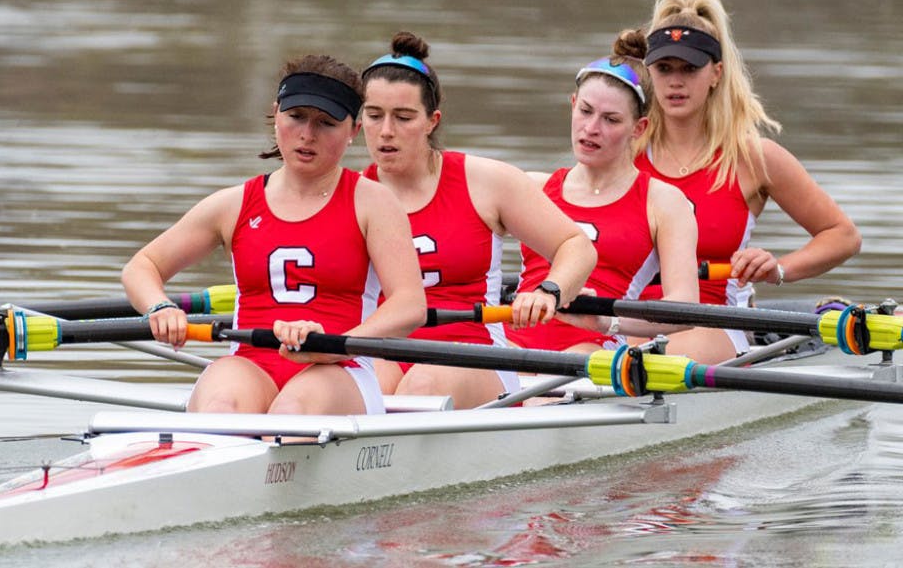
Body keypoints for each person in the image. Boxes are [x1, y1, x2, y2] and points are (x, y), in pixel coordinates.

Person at [122, 53, 426, 416]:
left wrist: (340, 344)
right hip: (251, 362)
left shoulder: (373, 202)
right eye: (296, 117)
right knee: (221, 405)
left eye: (325, 123)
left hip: (337, 368)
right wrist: (161, 307)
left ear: (353, 131)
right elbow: (142, 266)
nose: (307, 135)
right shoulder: (234, 204)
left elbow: (410, 304)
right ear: (276, 112)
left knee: (292, 413)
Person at [360, 31, 597, 408]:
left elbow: (576, 246)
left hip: (474, 355)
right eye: (374, 116)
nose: (386, 131)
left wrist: (549, 291)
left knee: (420, 387)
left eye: (403, 117)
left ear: (431, 121)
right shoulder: (353, 195)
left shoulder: (486, 182)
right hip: (383, 349)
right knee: (362, 384)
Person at [634, 0, 861, 362]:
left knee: (656, 356)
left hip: (713, 329)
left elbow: (843, 236)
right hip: (625, 325)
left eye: (690, 68)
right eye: (664, 68)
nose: (676, 81)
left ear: (716, 74)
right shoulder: (623, 153)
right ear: (649, 73)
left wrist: (778, 270)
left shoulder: (753, 157)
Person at [505, 30, 699, 354]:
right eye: (585, 111)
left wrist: (606, 320)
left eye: (610, 119)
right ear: (572, 105)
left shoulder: (664, 202)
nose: (591, 128)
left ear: (639, 129)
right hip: (511, 349)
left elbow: (685, 308)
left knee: (564, 371)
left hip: (594, 351)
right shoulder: (533, 187)